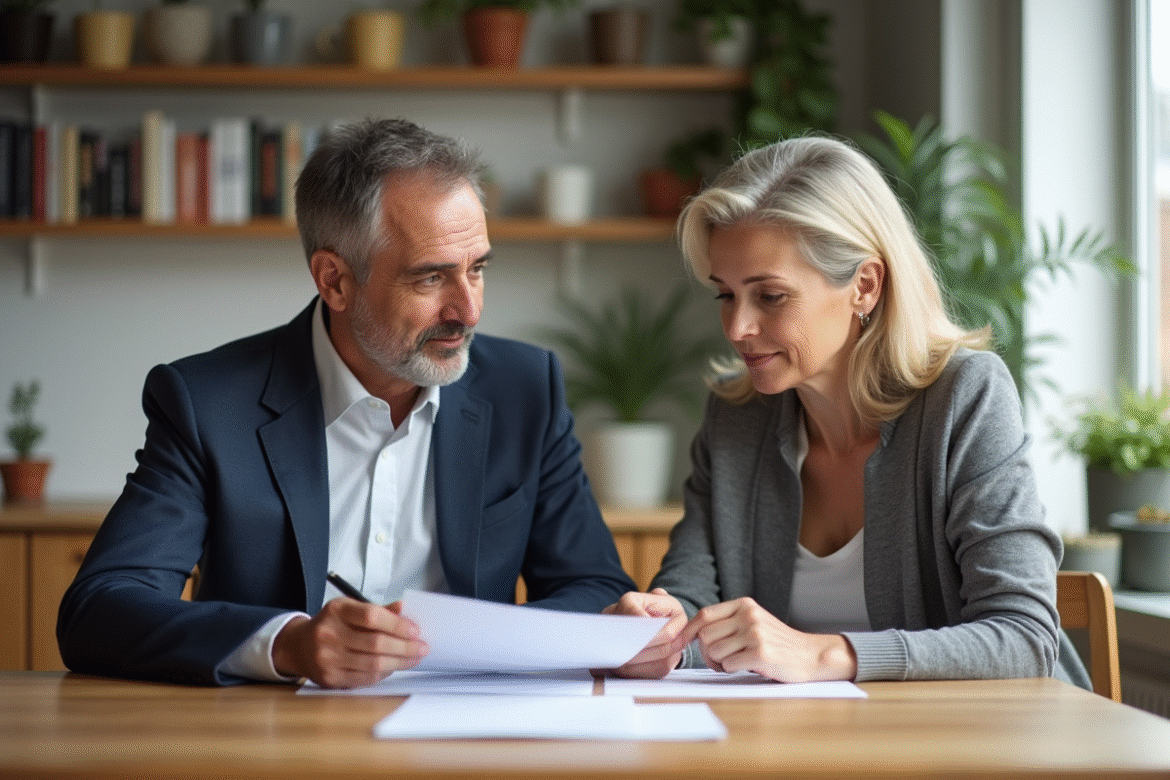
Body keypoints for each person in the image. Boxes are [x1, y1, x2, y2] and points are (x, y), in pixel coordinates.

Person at [57, 117, 635, 689]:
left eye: (477, 270)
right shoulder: (207, 403)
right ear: (333, 280)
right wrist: (288, 644)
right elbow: (99, 611)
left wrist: (487, 644)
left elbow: (597, 589)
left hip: (467, 741)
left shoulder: (526, 388)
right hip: (271, 744)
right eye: (431, 279)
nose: (469, 310)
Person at [605, 135, 1090, 687]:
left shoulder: (965, 398)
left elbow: (1024, 639)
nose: (737, 328)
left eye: (770, 296)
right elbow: (696, 612)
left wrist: (824, 655)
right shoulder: (735, 418)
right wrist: (661, 636)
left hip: (986, 750)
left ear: (864, 285)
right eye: (725, 295)